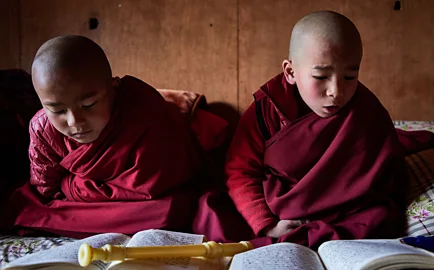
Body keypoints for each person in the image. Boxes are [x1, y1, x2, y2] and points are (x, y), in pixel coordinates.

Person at [225, 11, 409, 249]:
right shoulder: (267, 109)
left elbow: (387, 174)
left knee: (381, 219)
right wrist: (267, 224)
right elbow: (240, 171)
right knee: (215, 216)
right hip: (280, 214)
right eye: (321, 76)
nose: (336, 90)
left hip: (348, 214)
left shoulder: (367, 110)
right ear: (290, 72)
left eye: (350, 76)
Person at [1, 35, 204, 237]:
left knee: (172, 210)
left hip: (141, 205)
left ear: (113, 89)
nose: (74, 122)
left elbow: (149, 185)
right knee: (26, 207)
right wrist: (70, 192)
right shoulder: (42, 127)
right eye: (58, 110)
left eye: (88, 105)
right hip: (91, 208)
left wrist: (70, 185)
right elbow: (45, 189)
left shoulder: (145, 112)